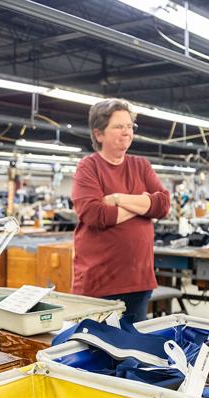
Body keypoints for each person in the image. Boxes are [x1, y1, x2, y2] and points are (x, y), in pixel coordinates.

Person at [72, 99, 171, 322]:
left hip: (139, 281)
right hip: (100, 283)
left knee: (134, 348)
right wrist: (144, 205)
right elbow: (96, 214)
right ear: (99, 134)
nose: (126, 132)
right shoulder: (89, 167)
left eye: (129, 126)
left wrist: (118, 199)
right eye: (118, 126)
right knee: (98, 349)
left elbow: (163, 205)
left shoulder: (141, 165)